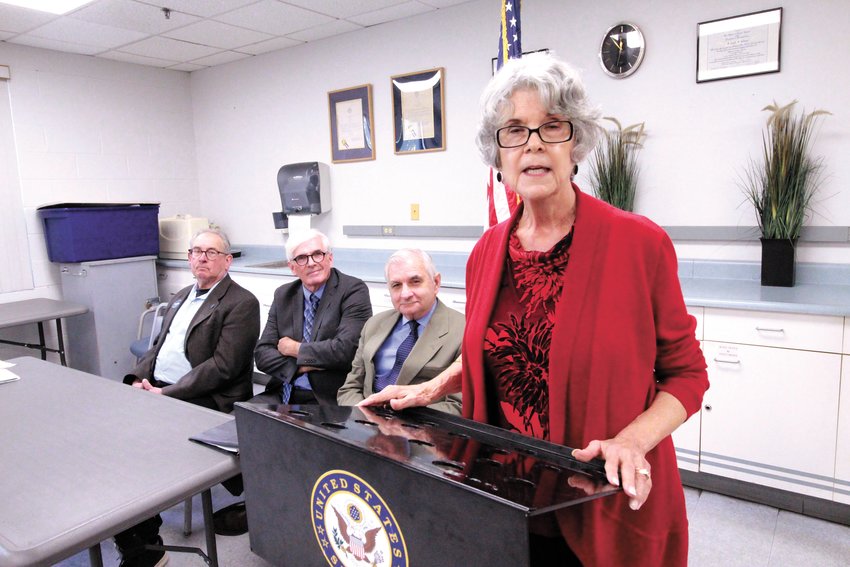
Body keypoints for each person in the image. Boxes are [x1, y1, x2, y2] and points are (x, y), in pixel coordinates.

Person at [361, 52, 708, 567]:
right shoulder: (487, 253)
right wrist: (431, 387)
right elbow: (501, 351)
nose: (533, 144)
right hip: (504, 495)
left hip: (600, 501)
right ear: (498, 155)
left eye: (551, 126)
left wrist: (632, 441)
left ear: (576, 144)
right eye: (514, 130)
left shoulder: (639, 244)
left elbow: (687, 375)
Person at [118, 228, 260, 567]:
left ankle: (145, 547)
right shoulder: (182, 295)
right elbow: (159, 347)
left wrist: (167, 393)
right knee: (114, 443)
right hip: (160, 391)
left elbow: (223, 368)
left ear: (227, 261)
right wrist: (138, 378)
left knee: (139, 451)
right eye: (196, 251)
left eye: (211, 252)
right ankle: (136, 539)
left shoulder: (242, 302)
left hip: (208, 400)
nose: (201, 257)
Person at [253, 229, 372, 405]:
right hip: (281, 392)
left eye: (317, 254)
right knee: (234, 425)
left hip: (327, 399)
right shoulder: (283, 295)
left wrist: (295, 349)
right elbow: (262, 355)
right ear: (292, 268)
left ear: (329, 258)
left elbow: (346, 351)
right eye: (302, 258)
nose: (311, 263)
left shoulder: (353, 290)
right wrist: (302, 366)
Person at [337, 248, 464, 414]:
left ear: (436, 283)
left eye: (415, 281)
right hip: (366, 429)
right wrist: (366, 422)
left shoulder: (464, 331)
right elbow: (350, 389)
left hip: (422, 433)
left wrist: (396, 424)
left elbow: (458, 406)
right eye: (396, 285)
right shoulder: (374, 325)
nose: (405, 294)